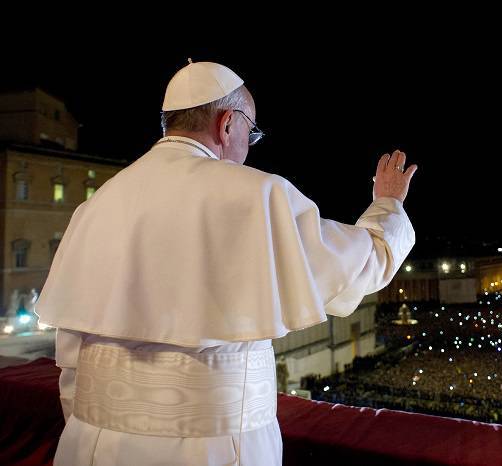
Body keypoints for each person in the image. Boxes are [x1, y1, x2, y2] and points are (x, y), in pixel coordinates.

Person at [36, 59, 418, 466]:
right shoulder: (258, 194)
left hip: (93, 444)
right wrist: (388, 204)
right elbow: (362, 264)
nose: (249, 145)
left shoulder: (97, 204)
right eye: (250, 132)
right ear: (227, 124)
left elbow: (72, 355)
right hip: (214, 449)